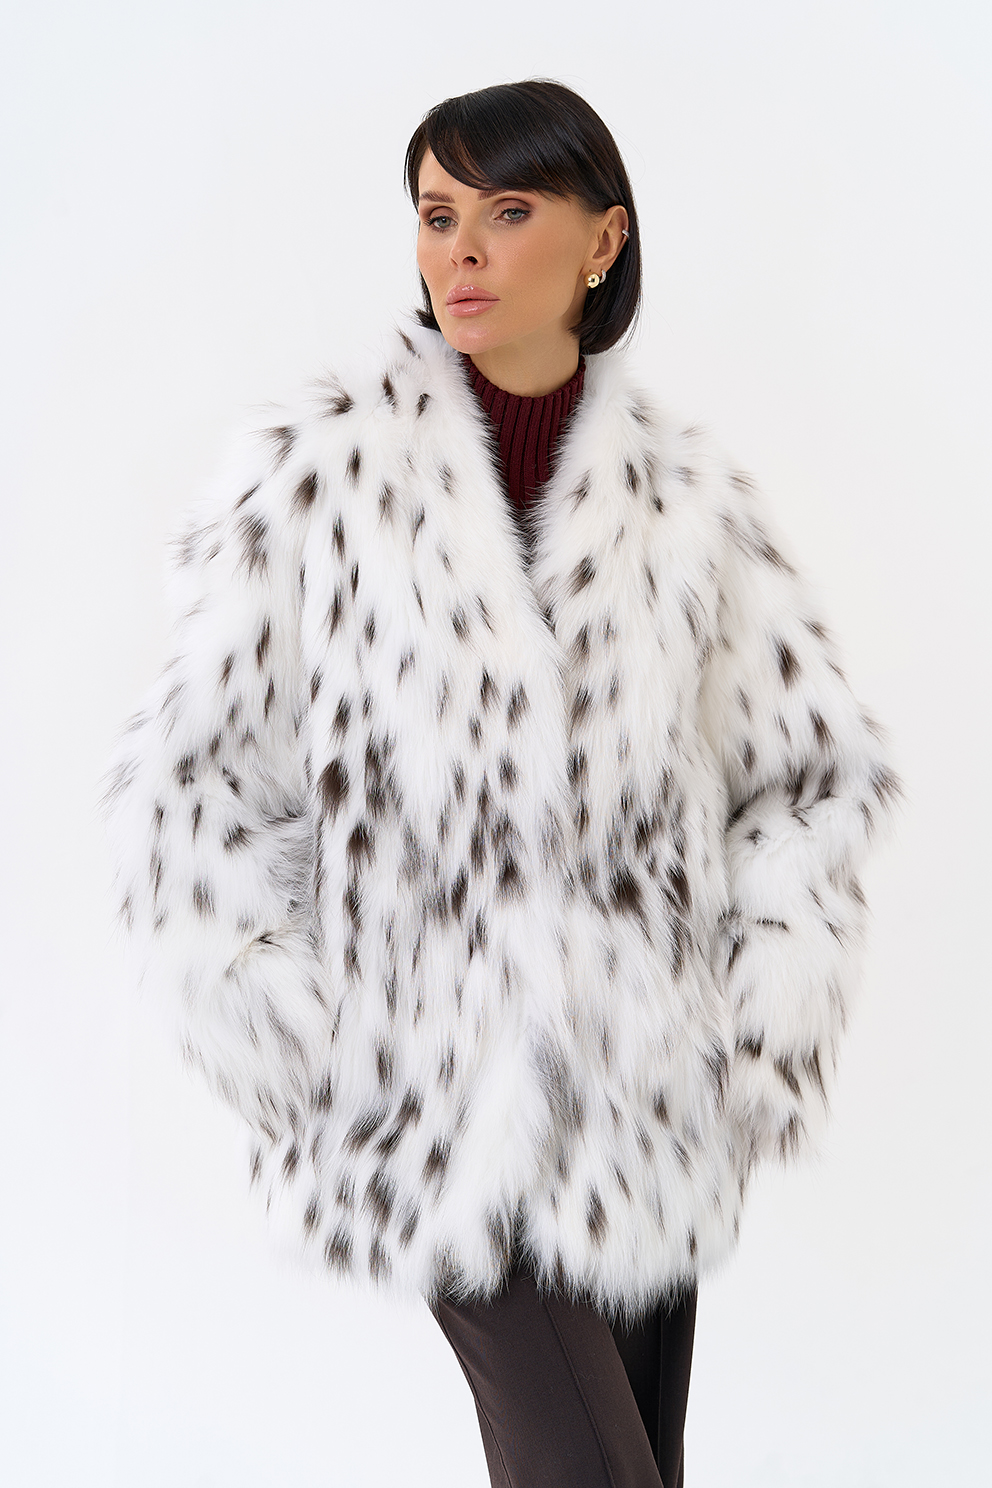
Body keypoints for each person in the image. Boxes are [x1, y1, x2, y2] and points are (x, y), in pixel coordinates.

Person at [104, 80, 899, 1488]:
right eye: (436, 214)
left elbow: (806, 777)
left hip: (647, 1093)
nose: (460, 250)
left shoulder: (688, 509)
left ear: (603, 241)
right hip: (436, 1097)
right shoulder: (317, 481)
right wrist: (307, 1037)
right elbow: (196, 784)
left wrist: (755, 1016)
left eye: (509, 210)